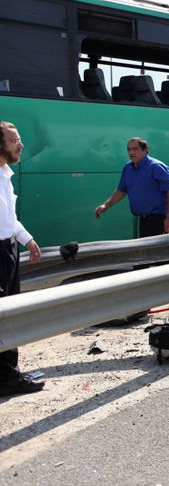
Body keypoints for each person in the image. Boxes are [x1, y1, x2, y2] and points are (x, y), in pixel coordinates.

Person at [0, 121, 44, 397]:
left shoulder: (5, 174)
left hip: (8, 251)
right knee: (4, 318)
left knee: (10, 314)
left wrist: (27, 240)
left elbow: (9, 220)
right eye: (14, 140)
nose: (21, 144)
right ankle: (6, 379)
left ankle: (7, 374)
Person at [95, 137, 169, 237]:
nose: (131, 152)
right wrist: (105, 205)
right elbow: (121, 191)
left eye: (135, 149)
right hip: (141, 218)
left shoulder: (156, 167)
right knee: (145, 250)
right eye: (129, 149)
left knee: (152, 250)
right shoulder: (127, 167)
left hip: (157, 219)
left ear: (145, 150)